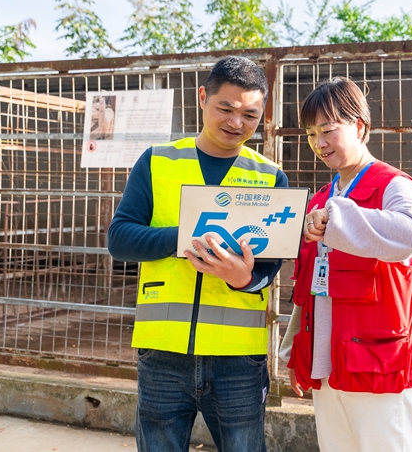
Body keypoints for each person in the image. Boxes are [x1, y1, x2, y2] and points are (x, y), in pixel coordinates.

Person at [108, 56, 288, 452]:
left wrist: (242, 277)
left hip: (239, 359)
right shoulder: (157, 161)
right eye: (226, 108)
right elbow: (119, 238)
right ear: (203, 97)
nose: (236, 122)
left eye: (251, 115)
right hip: (163, 353)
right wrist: (185, 239)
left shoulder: (270, 177)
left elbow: (271, 267)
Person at [280, 76, 412, 452]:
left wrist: (337, 216)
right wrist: (294, 352)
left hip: (382, 364)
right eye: (311, 133)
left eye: (328, 130)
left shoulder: (393, 186)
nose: (319, 143)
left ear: (360, 127)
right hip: (329, 363)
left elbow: (410, 235)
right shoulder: (323, 195)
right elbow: (311, 288)